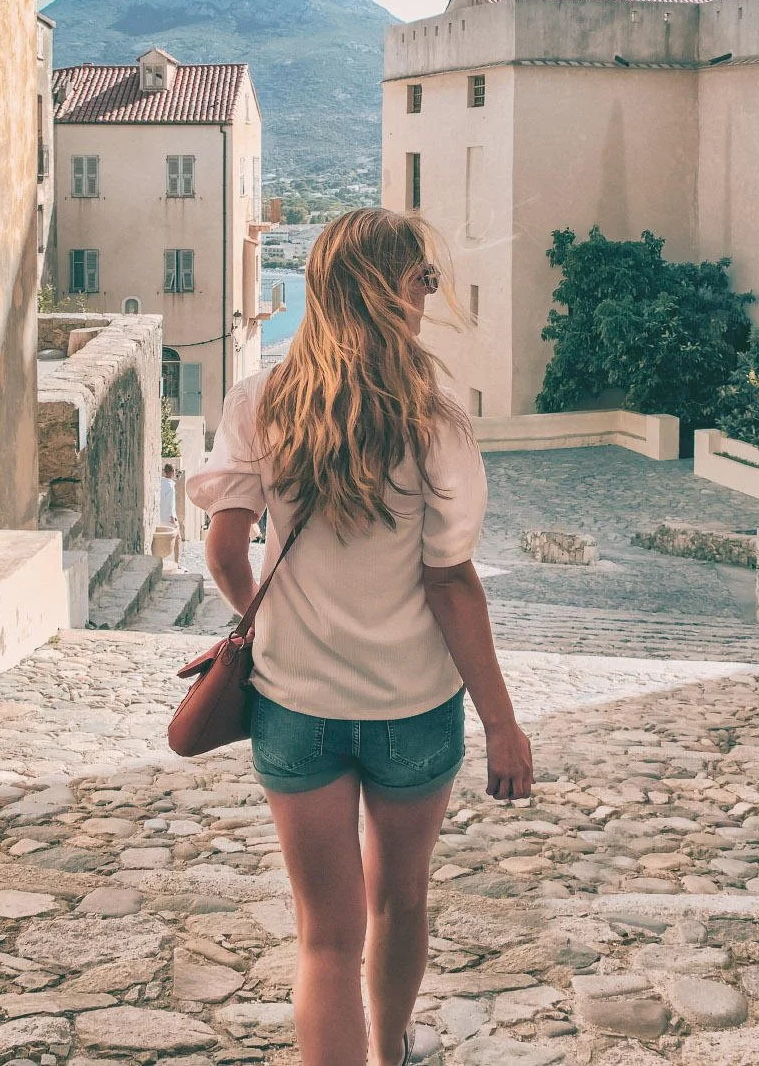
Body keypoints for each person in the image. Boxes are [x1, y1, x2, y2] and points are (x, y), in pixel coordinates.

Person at [189, 207, 533, 1066]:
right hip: (413, 709)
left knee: (325, 940)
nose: (428, 295)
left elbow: (227, 548)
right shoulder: (437, 424)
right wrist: (501, 722)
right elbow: (449, 583)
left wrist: (265, 626)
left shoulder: (262, 401)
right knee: (402, 902)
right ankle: (388, 1051)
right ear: (389, 292)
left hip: (295, 704)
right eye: (421, 279)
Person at [159, 462, 178, 528]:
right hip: (169, 518)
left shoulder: (160, 483)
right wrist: (173, 518)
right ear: (172, 472)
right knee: (176, 536)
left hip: (160, 517)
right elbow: (170, 504)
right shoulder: (170, 486)